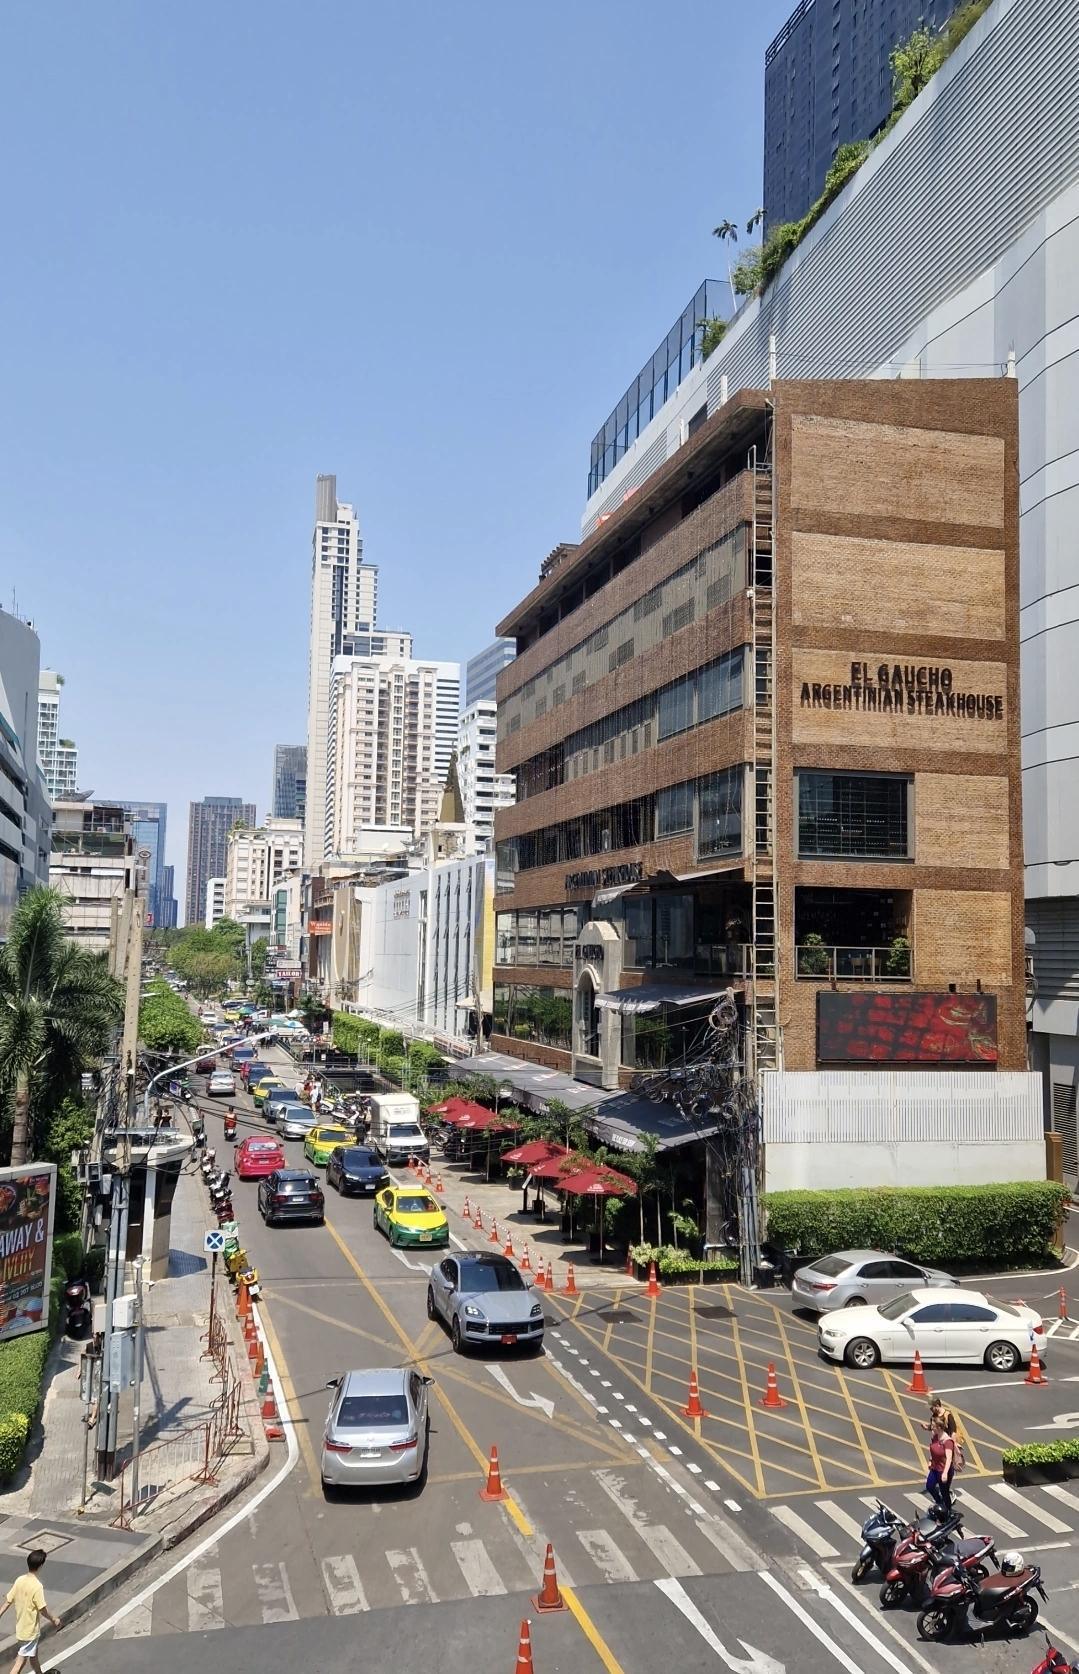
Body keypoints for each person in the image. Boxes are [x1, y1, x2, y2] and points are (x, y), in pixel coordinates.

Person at [0, 1549, 61, 1674]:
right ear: (41, 1565)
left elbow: (8, 1601)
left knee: (33, 1657)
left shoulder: (20, 1580)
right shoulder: (37, 1586)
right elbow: (42, 1609)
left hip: (21, 1628)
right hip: (30, 1631)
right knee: (20, 1662)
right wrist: (54, 1619)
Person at [926, 1415, 955, 1514]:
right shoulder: (935, 1437)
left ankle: (948, 1511)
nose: (932, 1427)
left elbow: (949, 1458)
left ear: (939, 1427)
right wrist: (930, 1460)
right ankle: (939, 1502)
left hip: (943, 1470)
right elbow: (933, 1451)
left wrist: (945, 1473)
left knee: (944, 1491)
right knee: (929, 1486)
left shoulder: (947, 1442)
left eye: (933, 1426)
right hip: (934, 1468)